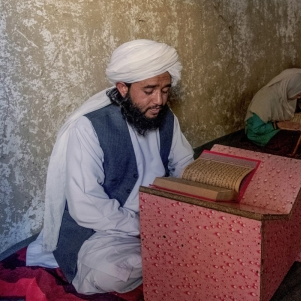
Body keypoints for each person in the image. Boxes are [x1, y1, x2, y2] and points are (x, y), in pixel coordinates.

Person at [25, 40, 194, 295]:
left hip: (159, 217)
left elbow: (183, 162)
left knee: (202, 242)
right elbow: (87, 205)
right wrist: (142, 226)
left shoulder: (166, 116)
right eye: (149, 90)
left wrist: (189, 207)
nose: (159, 100)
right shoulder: (89, 127)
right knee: (117, 272)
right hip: (104, 231)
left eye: (165, 90)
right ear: (123, 88)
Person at [244, 68, 301, 156]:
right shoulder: (266, 98)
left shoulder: (284, 93)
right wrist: (279, 125)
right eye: (299, 94)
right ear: (291, 88)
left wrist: (294, 118)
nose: (299, 97)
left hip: (275, 127)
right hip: (258, 134)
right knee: (295, 138)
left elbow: (285, 115)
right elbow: (256, 129)